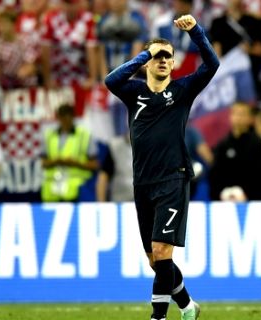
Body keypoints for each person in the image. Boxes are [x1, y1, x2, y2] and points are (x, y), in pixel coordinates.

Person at [104, 14, 219, 320]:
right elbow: (111, 80)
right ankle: (187, 306)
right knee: (155, 259)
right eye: (158, 56)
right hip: (142, 182)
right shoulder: (135, 92)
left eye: (168, 55)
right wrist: (145, 53)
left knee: (162, 251)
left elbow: (212, 65)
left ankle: (158, 316)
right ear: (148, 61)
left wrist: (196, 32)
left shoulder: (182, 91)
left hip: (173, 178)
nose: (164, 60)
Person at [209, 102, 261, 201]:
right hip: (224, 203)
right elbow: (214, 175)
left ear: (251, 119)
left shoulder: (258, 144)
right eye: (235, 113)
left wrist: (246, 194)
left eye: (242, 114)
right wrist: (223, 193)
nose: (238, 117)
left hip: (253, 202)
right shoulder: (222, 145)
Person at [40, 104, 99, 202]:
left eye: (68, 117)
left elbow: (94, 165)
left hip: (77, 190)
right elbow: (43, 163)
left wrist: (76, 163)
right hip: (52, 191)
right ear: (58, 117)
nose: (65, 121)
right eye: (62, 117)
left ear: (73, 117)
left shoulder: (84, 135)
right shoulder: (49, 135)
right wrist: (56, 161)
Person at [96, 133, 134, 202]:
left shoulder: (152, 145)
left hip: (147, 204)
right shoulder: (115, 146)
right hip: (120, 203)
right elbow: (103, 176)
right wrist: (101, 204)